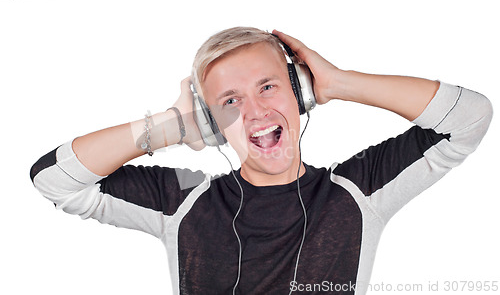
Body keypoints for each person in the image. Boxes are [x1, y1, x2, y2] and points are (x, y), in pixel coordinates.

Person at [30, 27, 493, 294]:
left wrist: (340, 83)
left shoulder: (358, 192)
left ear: (300, 94)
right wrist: (171, 124)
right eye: (229, 102)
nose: (254, 111)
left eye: (268, 86)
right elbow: (54, 179)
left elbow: (470, 119)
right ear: (211, 123)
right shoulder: (182, 202)